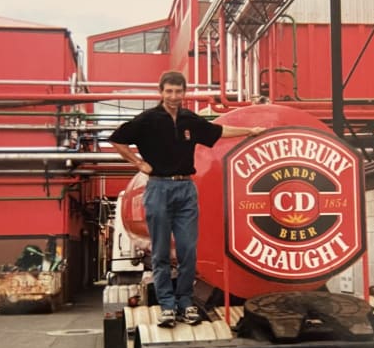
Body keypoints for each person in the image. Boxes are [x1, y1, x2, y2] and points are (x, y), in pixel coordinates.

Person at [109, 71, 265, 328]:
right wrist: (138, 163)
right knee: (160, 251)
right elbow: (117, 140)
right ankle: (168, 306)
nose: (173, 96)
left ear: (184, 93)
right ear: (161, 92)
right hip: (158, 187)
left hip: (186, 188)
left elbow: (218, 130)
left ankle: (185, 302)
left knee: (188, 250)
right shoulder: (147, 120)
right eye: (168, 91)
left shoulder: (188, 119)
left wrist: (249, 131)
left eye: (178, 92)